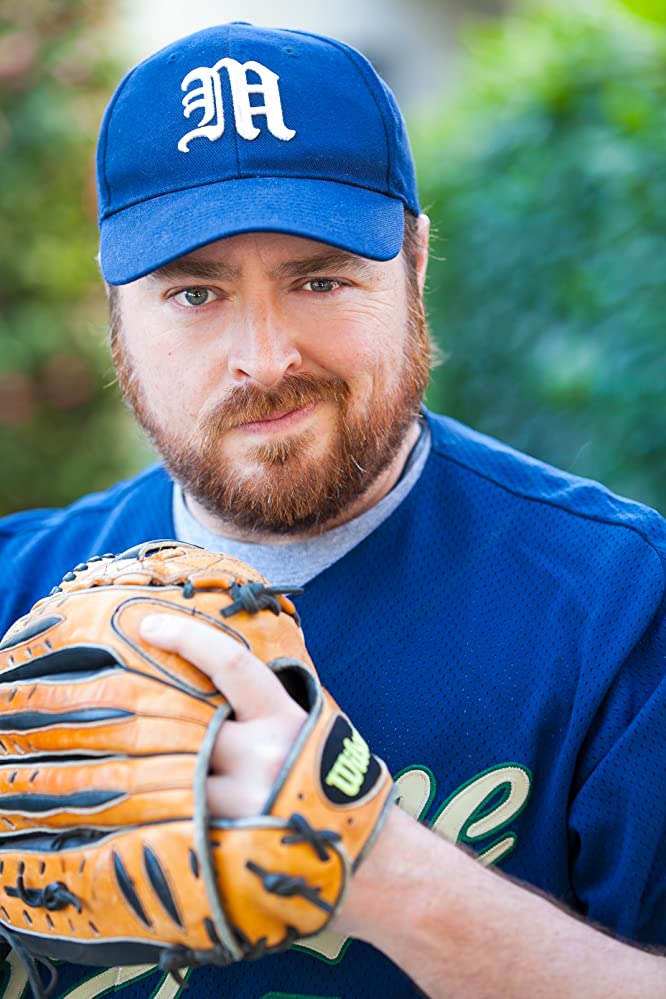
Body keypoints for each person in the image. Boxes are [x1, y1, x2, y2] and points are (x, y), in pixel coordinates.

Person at [0, 20, 664, 999]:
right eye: (194, 295)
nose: (265, 359)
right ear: (116, 308)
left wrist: (387, 875)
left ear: (417, 262)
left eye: (320, 279)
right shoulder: (14, 598)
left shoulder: (622, 609)